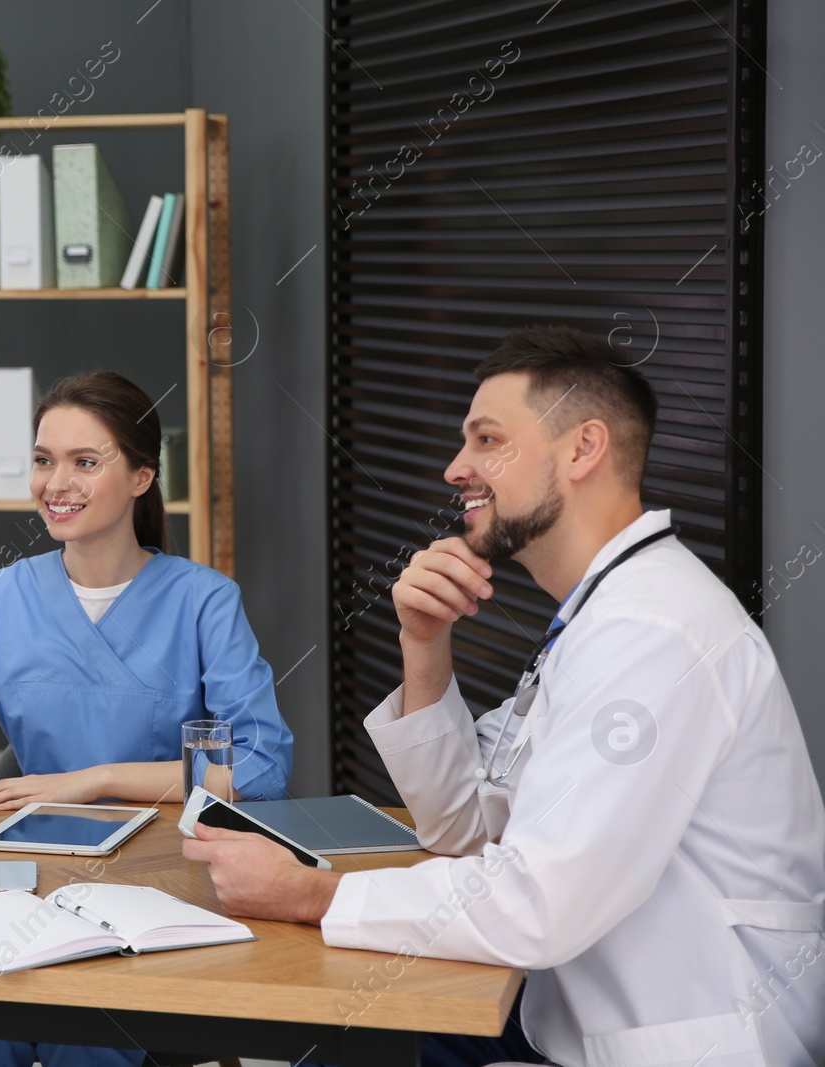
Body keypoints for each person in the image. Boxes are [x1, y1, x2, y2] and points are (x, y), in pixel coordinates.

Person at [183, 326, 825, 1067]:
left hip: (688, 1040)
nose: (457, 467)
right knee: (336, 1044)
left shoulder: (652, 632)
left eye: (488, 440)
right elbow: (466, 827)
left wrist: (310, 895)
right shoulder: (596, 617)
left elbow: (540, 901)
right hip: (567, 1010)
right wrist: (425, 646)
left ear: (583, 450)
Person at [0, 371, 295, 1067]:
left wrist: (90, 779)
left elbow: (262, 767)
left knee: (86, 1032)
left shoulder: (204, 601)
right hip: (28, 878)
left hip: (164, 884)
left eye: (84, 462)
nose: (55, 482)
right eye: (43, 460)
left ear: (140, 476)